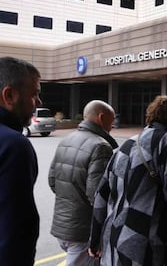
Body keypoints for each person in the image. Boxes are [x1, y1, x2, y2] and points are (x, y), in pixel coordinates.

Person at [89, 95, 167, 266]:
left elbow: (102, 195)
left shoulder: (124, 147)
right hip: (152, 246)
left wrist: (95, 239)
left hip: (116, 243)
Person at [0, 57, 41, 265]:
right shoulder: (10, 146)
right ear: (10, 95)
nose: (38, 102)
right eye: (34, 94)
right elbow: (14, 240)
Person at [48, 100, 119, 266]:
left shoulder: (67, 139)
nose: (113, 125)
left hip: (62, 227)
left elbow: (52, 181)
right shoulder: (101, 146)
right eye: (112, 119)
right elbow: (98, 196)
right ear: (101, 118)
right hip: (83, 232)